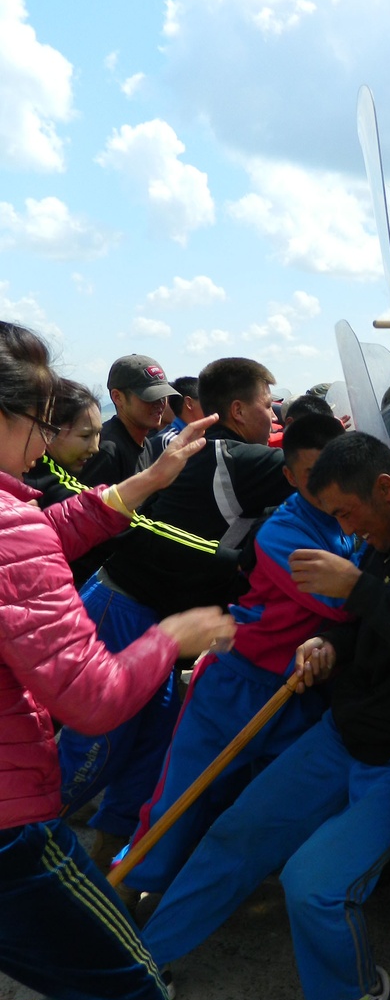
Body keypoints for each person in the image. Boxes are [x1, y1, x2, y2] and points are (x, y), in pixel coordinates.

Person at [0, 319, 259, 1000]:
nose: (42, 441)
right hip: (7, 826)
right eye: (36, 420)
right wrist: (173, 637)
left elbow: (39, 529)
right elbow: (93, 697)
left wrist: (145, 483)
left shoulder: (17, 514)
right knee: (131, 987)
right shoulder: (12, 528)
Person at [139, 432, 390, 1000]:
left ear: (386, 489)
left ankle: (357, 993)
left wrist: (359, 592)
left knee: (311, 882)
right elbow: (361, 623)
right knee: (237, 830)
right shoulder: (379, 542)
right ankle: (142, 959)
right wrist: (328, 642)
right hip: (342, 733)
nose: (343, 528)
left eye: (347, 514)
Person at [58, 357, 292, 864]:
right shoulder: (241, 462)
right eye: (266, 405)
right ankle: (20, 847)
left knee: (152, 742)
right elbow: (316, 472)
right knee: (96, 745)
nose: (273, 415)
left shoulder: (181, 440)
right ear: (236, 408)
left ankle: (104, 857)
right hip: (126, 608)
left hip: (152, 615)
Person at [120, 412, 356, 895]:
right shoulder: (282, 534)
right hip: (236, 683)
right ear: (289, 476)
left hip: (299, 692)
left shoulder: (346, 519)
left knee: (267, 801)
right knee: (180, 801)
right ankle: (125, 895)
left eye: (341, 474)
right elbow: (343, 604)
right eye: (314, 479)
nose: (331, 490)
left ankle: (212, 893)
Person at [79, 353, 176, 487]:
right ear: (117, 397)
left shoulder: (145, 443)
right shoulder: (107, 450)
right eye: (150, 396)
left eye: (163, 396)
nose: (159, 403)